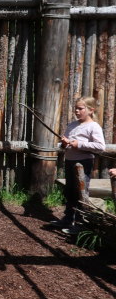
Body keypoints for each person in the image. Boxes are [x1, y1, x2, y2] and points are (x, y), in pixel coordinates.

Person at [50, 96, 105, 235]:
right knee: (70, 191)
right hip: (69, 162)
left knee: (81, 192)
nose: (77, 111)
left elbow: (100, 146)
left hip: (83, 164)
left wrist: (79, 144)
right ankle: (68, 219)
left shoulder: (93, 126)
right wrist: (63, 144)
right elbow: (64, 144)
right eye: (76, 108)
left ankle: (81, 224)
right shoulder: (72, 125)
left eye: (80, 108)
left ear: (91, 110)